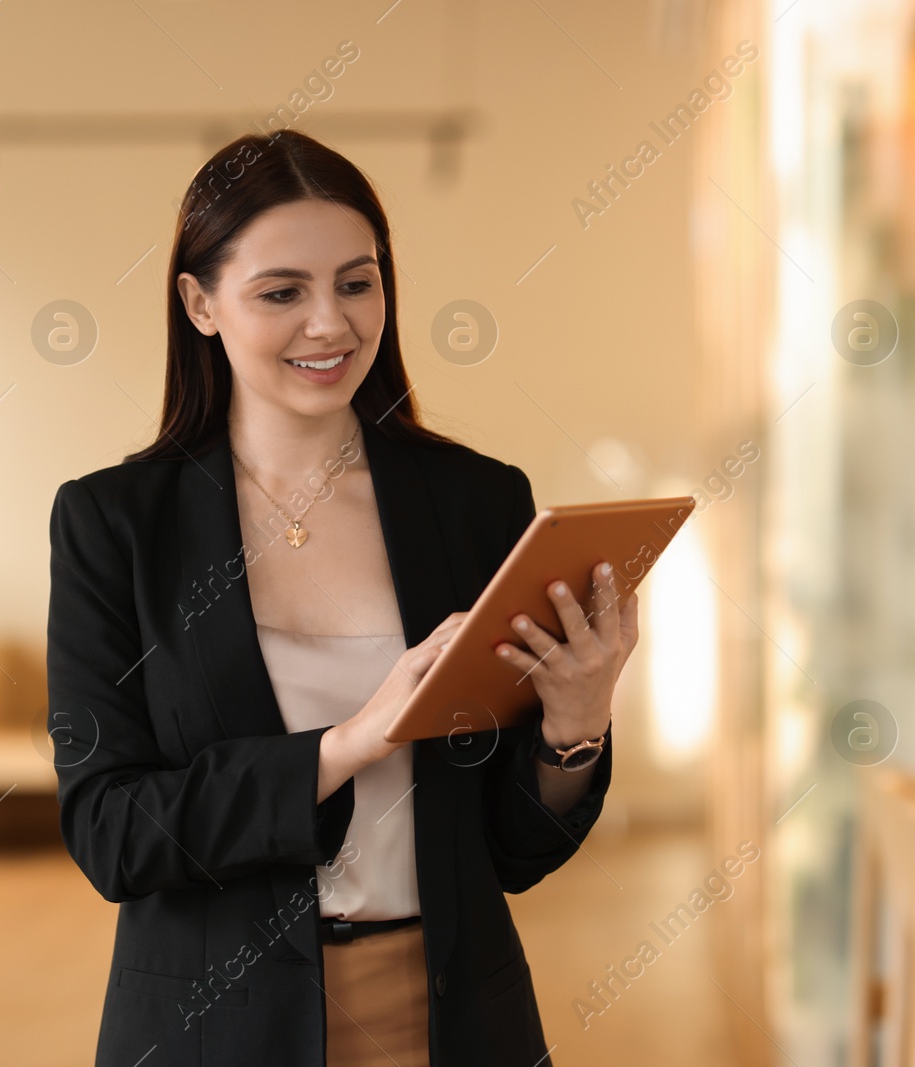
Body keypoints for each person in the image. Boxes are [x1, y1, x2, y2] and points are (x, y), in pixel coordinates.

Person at [46, 128, 638, 1066]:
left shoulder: (480, 503)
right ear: (199, 303)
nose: (332, 323)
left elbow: (516, 851)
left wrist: (576, 727)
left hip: (452, 1019)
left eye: (357, 283)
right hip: (215, 1033)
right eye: (283, 292)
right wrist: (348, 744)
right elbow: (112, 831)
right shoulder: (115, 525)